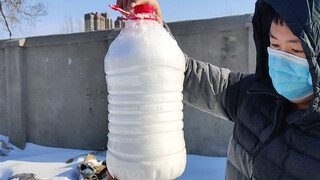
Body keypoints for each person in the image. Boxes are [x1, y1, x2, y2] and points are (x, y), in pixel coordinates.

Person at [108, 0, 320, 179]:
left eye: (296, 50)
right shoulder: (254, 94)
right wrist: (152, 30)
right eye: (274, 45)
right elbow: (183, 75)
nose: (282, 58)